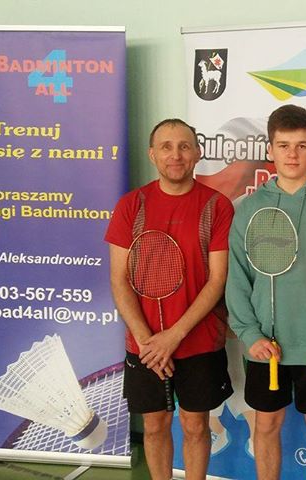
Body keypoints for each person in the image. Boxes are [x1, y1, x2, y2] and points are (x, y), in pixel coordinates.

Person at [226, 105, 306, 480]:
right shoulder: (249, 209)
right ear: (271, 149)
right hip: (265, 348)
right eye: (284, 145)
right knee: (265, 426)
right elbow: (237, 279)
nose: (292, 154)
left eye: (301, 145)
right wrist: (250, 334)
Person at [105, 119, 234, 480]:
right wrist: (148, 342)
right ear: (152, 154)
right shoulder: (131, 206)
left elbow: (217, 280)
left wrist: (173, 336)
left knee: (195, 426)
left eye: (184, 146)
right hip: (145, 345)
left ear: (197, 153)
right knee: (155, 426)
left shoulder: (217, 206)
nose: (175, 155)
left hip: (199, 342)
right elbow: (118, 279)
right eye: (166, 146)